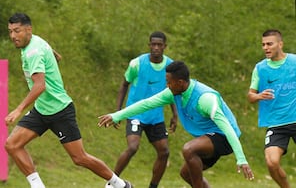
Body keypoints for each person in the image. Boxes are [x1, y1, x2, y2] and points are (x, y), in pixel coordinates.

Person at [4, 12, 133, 188]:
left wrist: (18, 110)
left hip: (60, 111)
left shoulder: (33, 52)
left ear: (28, 29)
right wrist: (53, 55)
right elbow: (52, 54)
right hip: (42, 110)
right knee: (12, 145)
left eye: (17, 31)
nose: (13, 36)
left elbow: (39, 86)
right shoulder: (35, 41)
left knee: (79, 158)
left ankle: (120, 184)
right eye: (10, 31)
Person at [99, 61, 254, 187]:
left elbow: (227, 127)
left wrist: (241, 159)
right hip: (210, 137)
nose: (167, 86)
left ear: (180, 82)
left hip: (225, 137)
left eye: (169, 82)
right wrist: (116, 115)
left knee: (189, 149)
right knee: (186, 174)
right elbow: (146, 104)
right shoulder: (174, 92)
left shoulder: (205, 99)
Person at [111, 31, 177, 188]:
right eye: (153, 44)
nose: (155, 48)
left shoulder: (170, 66)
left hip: (155, 117)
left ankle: (153, 186)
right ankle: (112, 182)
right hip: (136, 114)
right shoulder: (137, 64)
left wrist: (175, 114)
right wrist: (118, 112)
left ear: (164, 47)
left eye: (159, 45)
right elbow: (124, 85)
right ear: (149, 45)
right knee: (133, 147)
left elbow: (172, 91)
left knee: (164, 152)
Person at [247, 29, 296, 188]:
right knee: (271, 163)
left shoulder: (294, 62)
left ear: (280, 44)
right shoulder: (260, 68)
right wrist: (259, 95)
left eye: (269, 44)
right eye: (263, 45)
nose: (266, 48)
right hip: (276, 124)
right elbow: (250, 96)